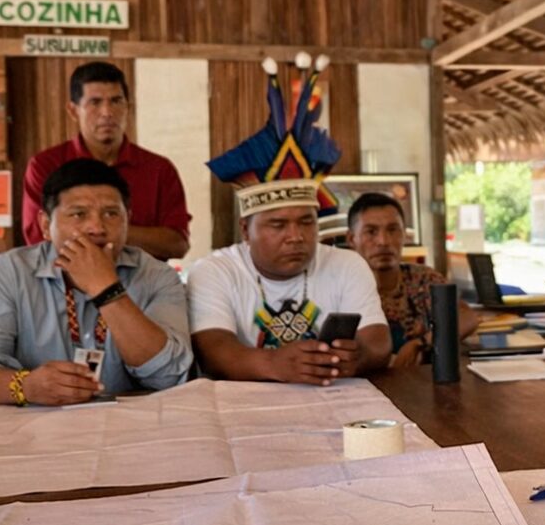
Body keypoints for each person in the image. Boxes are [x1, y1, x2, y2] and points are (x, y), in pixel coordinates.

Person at [188, 54, 389, 384]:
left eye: (306, 222)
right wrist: (274, 365)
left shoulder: (347, 265)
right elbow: (214, 350)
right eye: (278, 225)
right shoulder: (214, 271)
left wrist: (359, 357)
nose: (296, 236)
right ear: (245, 230)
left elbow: (377, 340)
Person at [0, 159, 193, 406]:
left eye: (111, 213)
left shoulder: (157, 276)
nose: (96, 227)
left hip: (132, 429)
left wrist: (107, 290)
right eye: (78, 214)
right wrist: (26, 386)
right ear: (44, 225)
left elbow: (170, 375)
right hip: (32, 432)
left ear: (128, 219)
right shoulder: (9, 274)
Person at [22, 62, 190, 261]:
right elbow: (38, 241)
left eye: (116, 101)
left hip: (142, 288)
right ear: (73, 111)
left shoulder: (159, 169)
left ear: (128, 106)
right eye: (95, 102)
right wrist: (119, 231)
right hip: (64, 286)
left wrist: (99, 229)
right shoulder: (45, 165)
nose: (107, 112)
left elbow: (177, 244)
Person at [346, 192, 477, 368]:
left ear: (405, 236)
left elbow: (468, 317)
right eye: (371, 232)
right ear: (351, 239)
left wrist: (421, 342)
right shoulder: (341, 285)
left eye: (393, 230)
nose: (383, 241)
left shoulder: (421, 279)